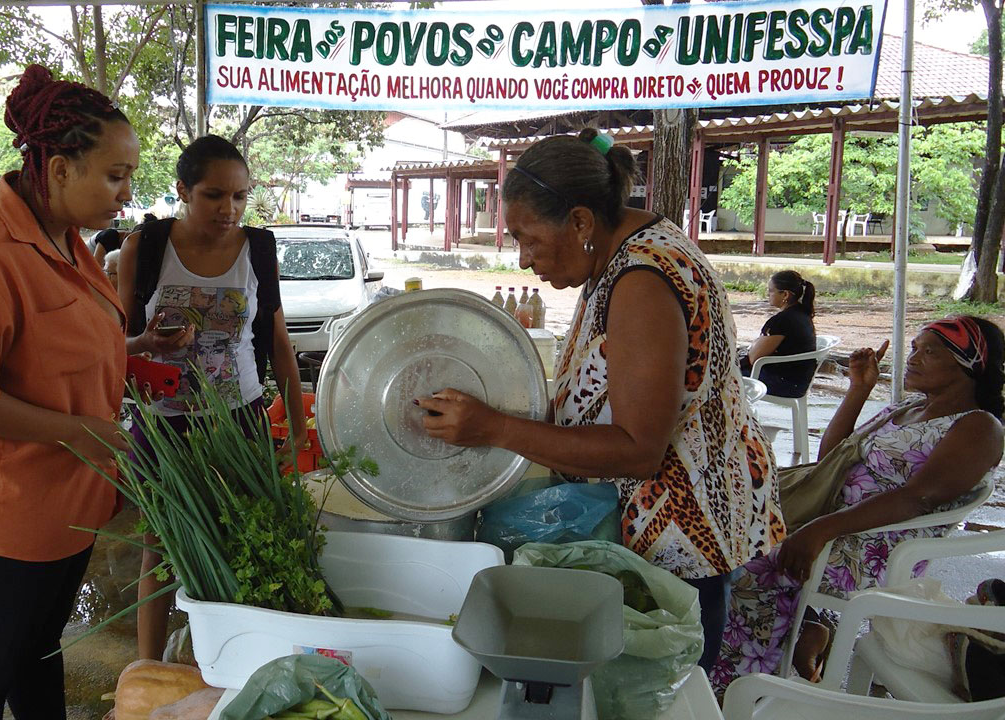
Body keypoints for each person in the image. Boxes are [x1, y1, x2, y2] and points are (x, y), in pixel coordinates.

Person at [416, 129, 782, 673]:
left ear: (581, 221)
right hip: (658, 531)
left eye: (528, 238)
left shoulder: (642, 280)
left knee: (661, 694)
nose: (522, 260)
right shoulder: (618, 255)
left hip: (680, 544)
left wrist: (493, 427)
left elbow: (638, 450)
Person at [0, 65, 168, 720]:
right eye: (115, 175)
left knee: (39, 652)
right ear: (58, 169)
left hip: (70, 500)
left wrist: (134, 351)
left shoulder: (68, 241)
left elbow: (61, 347)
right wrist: (88, 432)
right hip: (11, 512)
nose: (126, 191)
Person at [710, 316, 1004, 697]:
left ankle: (739, 683)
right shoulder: (911, 408)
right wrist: (859, 390)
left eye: (929, 351)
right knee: (716, 535)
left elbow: (918, 497)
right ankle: (799, 631)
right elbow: (832, 458)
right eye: (914, 348)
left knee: (740, 564)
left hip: (876, 549)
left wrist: (821, 529)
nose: (913, 358)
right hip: (835, 523)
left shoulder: (978, 428)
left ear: (970, 363)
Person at [116, 134, 308, 661]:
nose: (229, 209)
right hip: (164, 425)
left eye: (240, 196)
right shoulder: (145, 247)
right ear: (183, 189)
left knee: (238, 542)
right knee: (159, 550)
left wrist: (293, 426)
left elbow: (278, 343)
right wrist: (145, 343)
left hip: (240, 419)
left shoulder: (258, 250)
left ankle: (228, 661)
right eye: (214, 195)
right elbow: (112, 343)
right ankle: (146, 672)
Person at [740, 270, 818, 398]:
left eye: (771, 291)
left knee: (724, 374)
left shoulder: (783, 320)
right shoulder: (802, 313)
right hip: (797, 381)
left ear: (785, 294)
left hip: (783, 383)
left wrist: (754, 345)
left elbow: (753, 357)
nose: (768, 294)